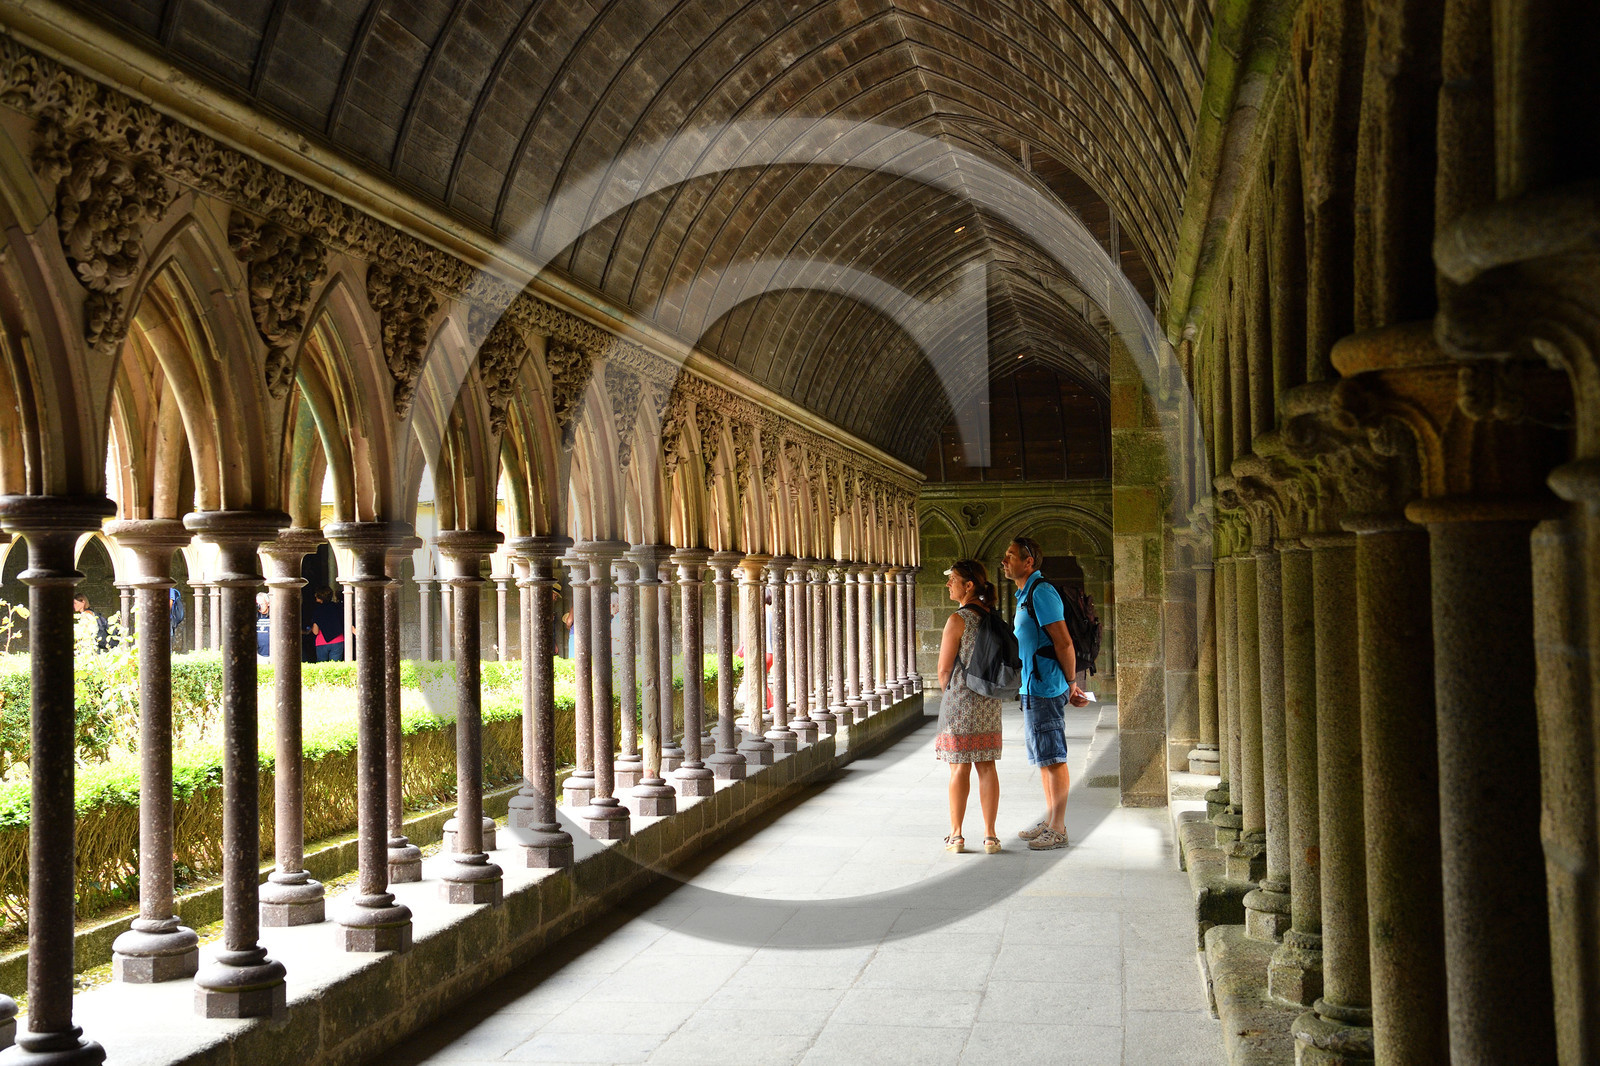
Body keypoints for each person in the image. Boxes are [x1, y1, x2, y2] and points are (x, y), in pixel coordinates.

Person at [1001, 536, 1087, 851]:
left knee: (1053, 756)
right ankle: (1051, 820)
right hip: (1032, 685)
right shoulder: (1025, 593)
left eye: (1011, 556)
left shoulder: (1042, 592)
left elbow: (1063, 642)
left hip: (1046, 686)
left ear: (1029, 562)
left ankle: (1059, 828)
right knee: (1042, 757)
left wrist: (1071, 682)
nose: (1005, 561)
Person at [934, 559, 1003, 855]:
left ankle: (957, 835)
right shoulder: (991, 615)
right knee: (986, 765)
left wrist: (948, 700)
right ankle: (990, 837)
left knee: (959, 767)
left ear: (969, 585)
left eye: (954, 579)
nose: (949, 584)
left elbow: (943, 670)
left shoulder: (957, 619)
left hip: (962, 699)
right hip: (987, 700)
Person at [309, 586, 345, 662]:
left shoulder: (318, 610)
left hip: (322, 641)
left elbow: (315, 631)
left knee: (322, 669)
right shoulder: (337, 607)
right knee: (335, 668)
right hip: (338, 640)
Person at [255, 591, 272, 663]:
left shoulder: (273, 615)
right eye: (258, 604)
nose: (260, 607)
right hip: (259, 654)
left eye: (262, 604)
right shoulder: (256, 616)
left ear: (268, 603)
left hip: (272, 653)